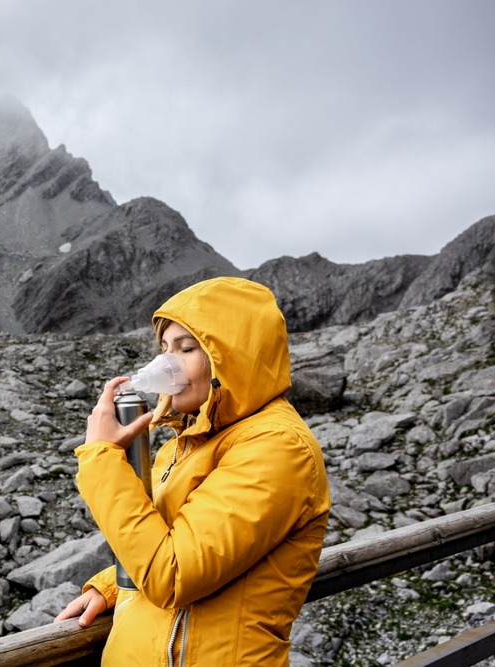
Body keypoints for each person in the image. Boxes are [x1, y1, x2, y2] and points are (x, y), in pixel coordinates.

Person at [55, 276, 331, 666]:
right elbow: (179, 539)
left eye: (186, 348)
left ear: (233, 357)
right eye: (165, 347)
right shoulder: (189, 439)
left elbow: (174, 574)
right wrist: (114, 586)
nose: (165, 364)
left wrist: (101, 456)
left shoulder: (277, 447)